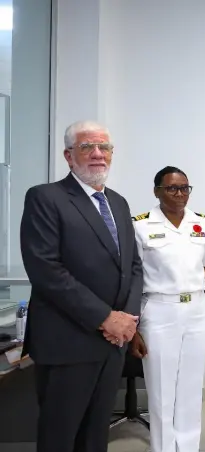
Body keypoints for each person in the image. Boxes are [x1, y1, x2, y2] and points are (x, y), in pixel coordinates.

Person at [19, 120, 143, 452]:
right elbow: (46, 270)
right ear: (68, 155)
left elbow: (133, 266)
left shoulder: (118, 203)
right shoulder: (46, 198)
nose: (98, 154)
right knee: (61, 437)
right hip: (68, 342)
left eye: (105, 147)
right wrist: (106, 318)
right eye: (87, 147)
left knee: (95, 436)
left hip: (112, 344)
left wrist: (128, 319)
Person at [129, 166, 205, 452]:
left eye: (184, 188)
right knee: (161, 391)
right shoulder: (141, 225)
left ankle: (188, 447)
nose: (180, 193)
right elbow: (133, 278)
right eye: (172, 188)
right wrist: (133, 326)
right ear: (157, 191)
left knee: (191, 388)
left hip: (197, 309)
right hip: (159, 310)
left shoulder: (202, 223)